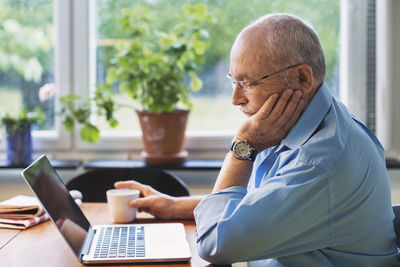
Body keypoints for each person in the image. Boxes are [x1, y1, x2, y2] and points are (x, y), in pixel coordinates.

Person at [115, 13, 400, 266]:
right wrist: (176, 205)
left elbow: (215, 244)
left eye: (248, 83)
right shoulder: (302, 123)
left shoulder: (318, 162)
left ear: (302, 78)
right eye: (233, 81)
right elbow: (261, 202)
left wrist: (243, 146)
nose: (235, 99)